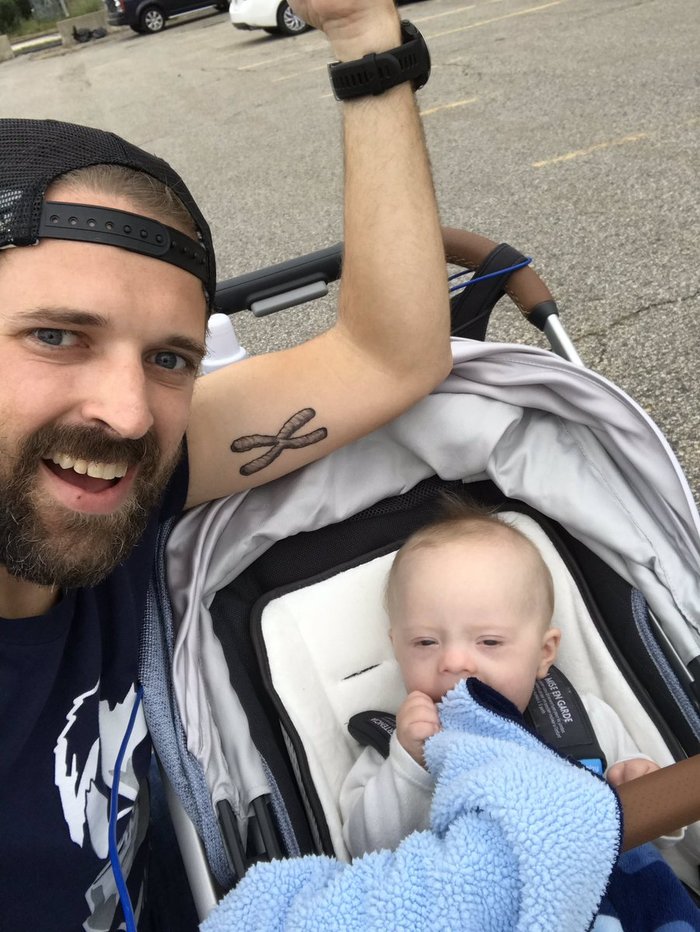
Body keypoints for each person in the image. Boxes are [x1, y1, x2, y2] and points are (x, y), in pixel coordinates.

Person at [0, 2, 452, 929]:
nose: (128, 412)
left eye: (170, 358)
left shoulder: (109, 481)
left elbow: (389, 356)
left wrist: (365, 38)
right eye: (55, 336)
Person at [340, 502, 680, 858]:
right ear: (398, 649)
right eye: (425, 642)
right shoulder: (394, 750)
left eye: (489, 642)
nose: (454, 662)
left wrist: (638, 784)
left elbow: (658, 830)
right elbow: (366, 850)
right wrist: (409, 765)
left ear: (544, 653)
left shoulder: (583, 722)